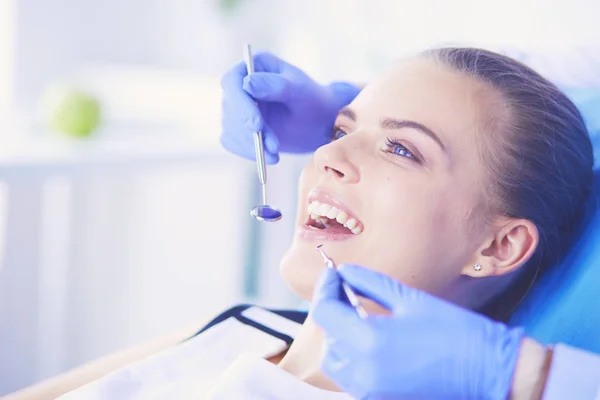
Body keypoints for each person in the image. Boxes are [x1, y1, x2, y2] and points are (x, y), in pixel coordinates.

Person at [7, 47, 596, 399]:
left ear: (499, 245)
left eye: (401, 150)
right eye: (342, 130)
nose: (326, 157)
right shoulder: (246, 325)